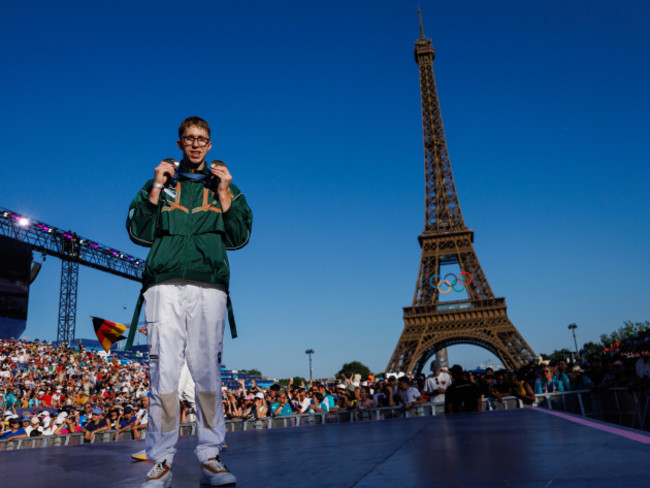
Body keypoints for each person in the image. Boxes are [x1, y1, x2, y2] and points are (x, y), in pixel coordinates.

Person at [127, 116, 253, 488]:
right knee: (163, 374)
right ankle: (162, 460)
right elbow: (138, 231)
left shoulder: (224, 186)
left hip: (208, 286)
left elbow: (239, 237)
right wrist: (155, 187)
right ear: (180, 142)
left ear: (210, 145)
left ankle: (210, 455)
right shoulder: (162, 183)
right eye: (189, 138)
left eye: (202, 139)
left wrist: (226, 191)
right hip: (164, 286)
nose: (196, 144)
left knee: (207, 374)